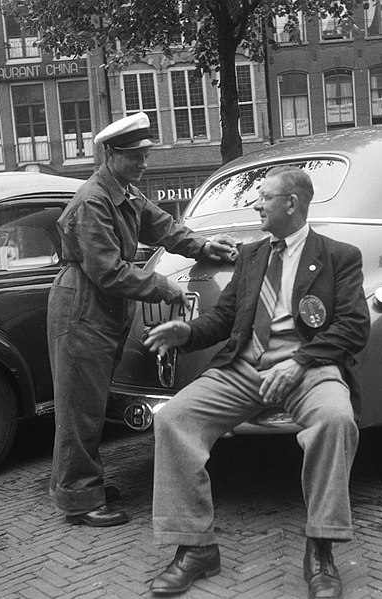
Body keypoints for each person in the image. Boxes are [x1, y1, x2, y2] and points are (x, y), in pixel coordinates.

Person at [144, 166, 370, 598]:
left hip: (310, 369)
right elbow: (224, 318)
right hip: (246, 367)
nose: (256, 204)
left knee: (336, 420)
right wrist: (186, 334)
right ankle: (195, 549)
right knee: (173, 418)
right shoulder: (251, 256)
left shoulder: (339, 256)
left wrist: (301, 360)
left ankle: (320, 548)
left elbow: (355, 327)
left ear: (292, 204)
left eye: (264, 197)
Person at [48, 111, 236, 527]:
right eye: (135, 156)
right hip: (82, 304)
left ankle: (85, 484)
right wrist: (164, 287)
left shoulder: (125, 191)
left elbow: (165, 227)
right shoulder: (94, 199)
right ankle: (79, 499)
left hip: (101, 306)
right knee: (79, 403)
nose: (143, 164)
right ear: (111, 154)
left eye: (145, 155)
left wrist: (205, 247)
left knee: (92, 401)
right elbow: (108, 271)